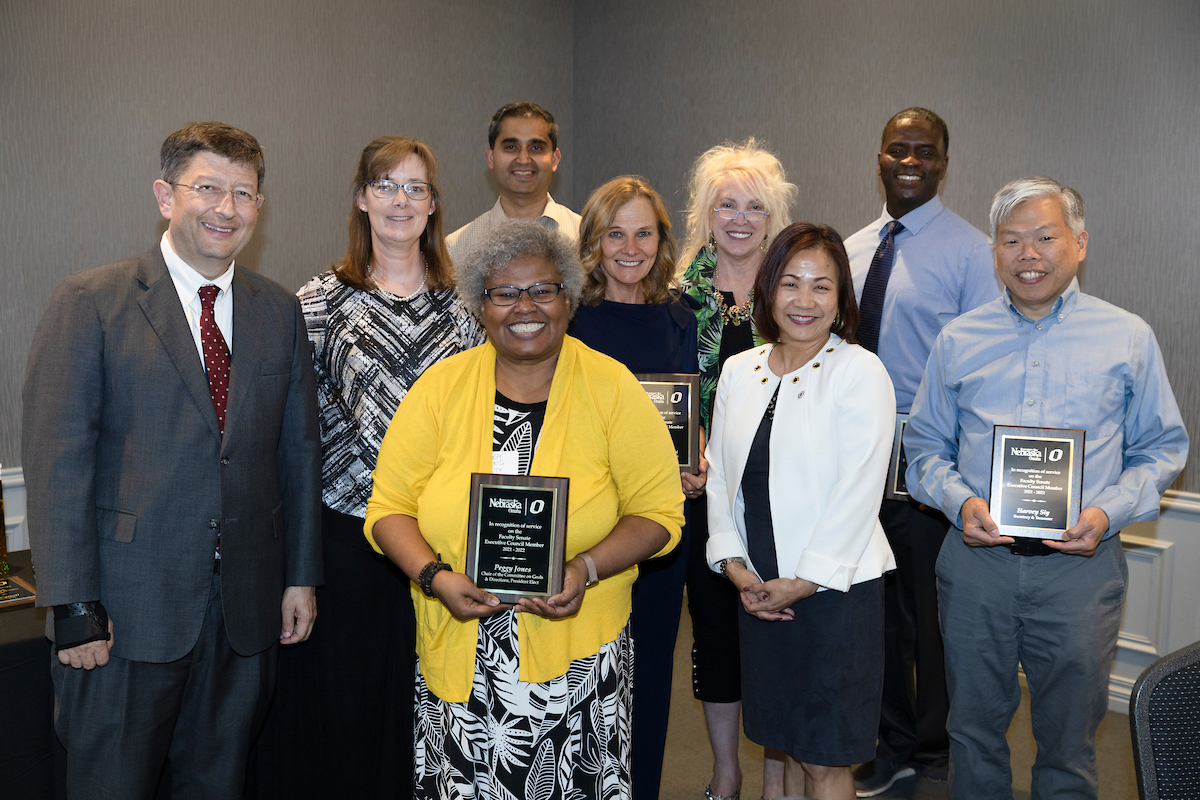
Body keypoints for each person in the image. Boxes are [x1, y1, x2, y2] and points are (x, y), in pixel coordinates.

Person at [21, 122, 322, 798]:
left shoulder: (278, 310)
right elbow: (57, 465)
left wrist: (300, 577)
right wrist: (73, 605)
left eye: (244, 193)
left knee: (218, 784)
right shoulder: (91, 302)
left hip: (243, 616)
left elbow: (297, 453)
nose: (227, 209)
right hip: (126, 616)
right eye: (208, 188)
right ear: (165, 195)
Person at [364, 219, 685, 799]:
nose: (525, 307)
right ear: (479, 306)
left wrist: (584, 569)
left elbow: (660, 513)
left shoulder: (612, 388)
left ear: (567, 298)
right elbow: (388, 507)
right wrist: (434, 577)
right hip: (459, 655)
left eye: (541, 289)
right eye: (504, 293)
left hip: (579, 659)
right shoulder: (440, 388)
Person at [904, 177, 1188, 800]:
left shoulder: (1128, 337)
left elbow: (1163, 449)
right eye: (1011, 240)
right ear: (996, 252)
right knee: (972, 734)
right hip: (978, 566)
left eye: (1045, 237)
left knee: (1069, 742)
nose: (1027, 254)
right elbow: (923, 450)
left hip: (1081, 573)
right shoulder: (959, 339)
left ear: (1080, 244)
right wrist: (961, 501)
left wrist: (1106, 512)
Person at [261, 137, 483, 799]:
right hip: (349, 538)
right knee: (351, 711)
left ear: (434, 205)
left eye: (416, 188)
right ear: (361, 198)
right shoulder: (320, 302)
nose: (400, 200)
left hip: (442, 536)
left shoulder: (464, 307)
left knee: (433, 705)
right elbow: (292, 438)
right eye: (385, 185)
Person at [706, 222, 896, 800]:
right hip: (758, 589)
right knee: (783, 743)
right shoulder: (741, 370)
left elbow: (860, 490)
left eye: (822, 286)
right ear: (768, 290)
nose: (804, 301)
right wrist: (733, 564)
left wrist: (804, 581)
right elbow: (720, 478)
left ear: (842, 299)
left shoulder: (859, 371)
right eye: (790, 283)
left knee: (824, 759)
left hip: (834, 595)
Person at [842, 108, 1000, 800]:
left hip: (929, 457)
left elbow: (985, 368)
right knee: (870, 605)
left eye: (925, 152)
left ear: (944, 162)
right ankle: (889, 739)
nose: (910, 161)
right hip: (855, 454)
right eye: (897, 149)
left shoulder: (973, 254)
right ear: (878, 156)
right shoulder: (852, 248)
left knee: (926, 613)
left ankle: (930, 744)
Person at [569, 175, 702, 800]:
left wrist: (693, 458)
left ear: (661, 240)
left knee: (649, 676)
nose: (630, 247)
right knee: (586, 675)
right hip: (588, 525)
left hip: (654, 529)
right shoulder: (569, 319)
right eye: (614, 233)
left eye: (643, 233)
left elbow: (688, 416)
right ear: (592, 242)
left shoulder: (681, 317)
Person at [678, 139, 797, 800]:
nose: (741, 217)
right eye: (727, 203)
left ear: (772, 214)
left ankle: (776, 777)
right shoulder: (675, 294)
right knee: (717, 635)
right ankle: (726, 772)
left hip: (777, 494)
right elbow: (661, 390)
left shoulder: (796, 291)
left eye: (756, 205)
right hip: (698, 493)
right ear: (707, 212)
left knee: (773, 635)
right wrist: (687, 442)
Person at [447, 101, 581, 262]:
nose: (524, 159)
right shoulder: (456, 249)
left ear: (554, 159)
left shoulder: (587, 239)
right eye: (511, 147)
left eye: (536, 148)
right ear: (491, 157)